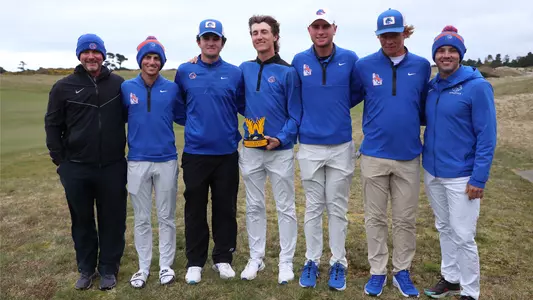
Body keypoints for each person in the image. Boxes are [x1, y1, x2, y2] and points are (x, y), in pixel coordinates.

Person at [354, 9, 431, 297]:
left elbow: (424, 106)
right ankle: (377, 271)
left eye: (394, 34)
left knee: (404, 218)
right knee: (374, 218)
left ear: (405, 33)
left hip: (409, 155)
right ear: (378, 36)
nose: (389, 40)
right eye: (384, 35)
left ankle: (401, 270)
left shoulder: (422, 66)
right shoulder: (364, 66)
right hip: (374, 154)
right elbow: (348, 96)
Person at [44, 33, 127, 290]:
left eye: (96, 52)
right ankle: (86, 268)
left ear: (103, 55)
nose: (91, 57)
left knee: (112, 219)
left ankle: (109, 267)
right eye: (86, 52)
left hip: (112, 166)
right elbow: (52, 124)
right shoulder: (63, 87)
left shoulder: (118, 84)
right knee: (82, 220)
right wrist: (61, 162)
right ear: (79, 56)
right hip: (77, 167)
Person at [291, 8, 363, 291]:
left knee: (337, 207)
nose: (320, 32)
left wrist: (338, 108)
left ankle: (338, 262)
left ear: (334, 28)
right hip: (309, 145)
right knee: (313, 207)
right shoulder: (299, 61)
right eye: (315, 27)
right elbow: (294, 96)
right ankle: (311, 260)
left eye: (325, 27)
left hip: (341, 145)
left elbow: (356, 91)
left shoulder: (349, 58)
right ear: (309, 30)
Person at [423, 26, 497, 300]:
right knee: (444, 227)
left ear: (461, 55)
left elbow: (487, 135)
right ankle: (451, 278)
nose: (445, 55)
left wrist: (479, 178)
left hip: (462, 175)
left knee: (464, 234)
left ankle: (470, 291)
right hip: (433, 171)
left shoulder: (477, 87)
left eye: (452, 50)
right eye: (441, 51)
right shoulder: (433, 86)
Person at [174, 19, 245, 285]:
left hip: (226, 153)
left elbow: (241, 104)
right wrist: (194, 125)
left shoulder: (235, 73)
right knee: (195, 208)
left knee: (225, 207)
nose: (211, 42)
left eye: (216, 38)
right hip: (195, 153)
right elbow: (178, 107)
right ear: (198, 41)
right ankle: (195, 262)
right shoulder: (185, 71)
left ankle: (223, 257)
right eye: (206, 38)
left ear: (222, 43)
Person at [238, 15, 302, 284]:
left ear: (275, 36)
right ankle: (256, 258)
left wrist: (281, 137)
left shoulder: (288, 72)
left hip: (279, 150)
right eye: (255, 32)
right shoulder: (244, 68)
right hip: (251, 149)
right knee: (253, 205)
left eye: (264, 32)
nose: (259, 36)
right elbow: (239, 101)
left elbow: (296, 113)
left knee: (285, 207)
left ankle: (286, 262)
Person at [121, 36, 181, 288]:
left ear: (162, 62)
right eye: (148, 57)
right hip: (137, 161)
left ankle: (165, 265)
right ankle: (144, 267)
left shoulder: (172, 88)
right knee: (142, 218)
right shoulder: (126, 88)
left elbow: (184, 115)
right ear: (140, 61)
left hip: (166, 159)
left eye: (156, 58)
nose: (152, 62)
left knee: (166, 216)